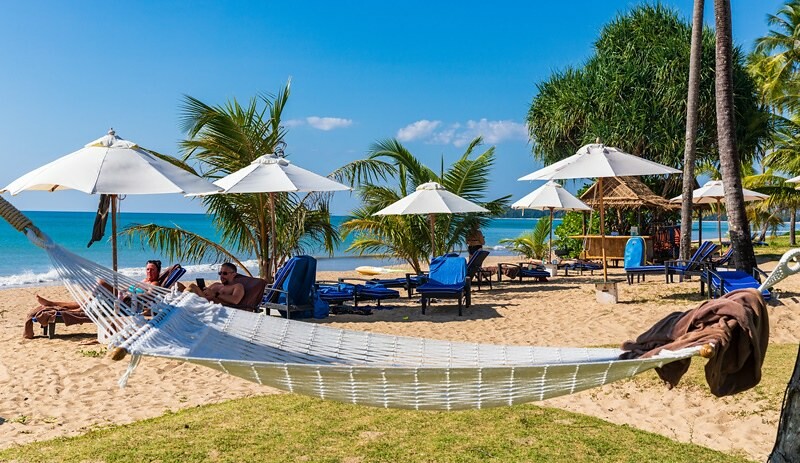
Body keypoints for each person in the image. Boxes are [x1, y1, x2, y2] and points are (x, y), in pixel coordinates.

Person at [35, 259, 163, 309]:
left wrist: (130, 295)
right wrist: (123, 290)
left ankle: (56, 304)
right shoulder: (143, 281)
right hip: (122, 297)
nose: (149, 272)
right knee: (86, 300)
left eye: (152, 270)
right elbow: (127, 288)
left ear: (158, 271)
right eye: (147, 269)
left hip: (128, 303)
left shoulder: (155, 283)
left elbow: (150, 295)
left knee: (102, 282)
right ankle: (53, 303)